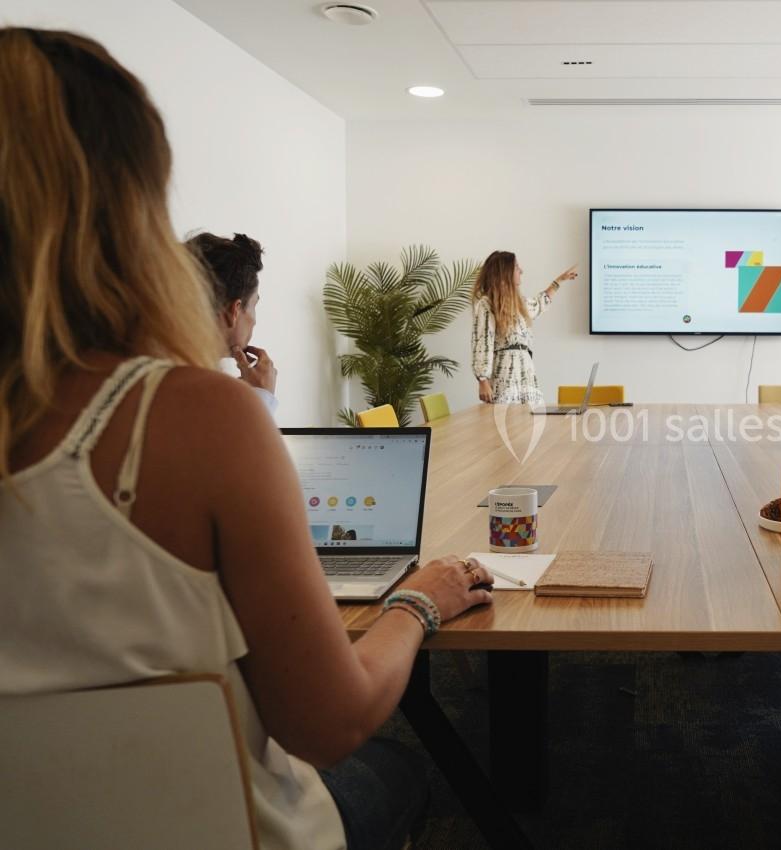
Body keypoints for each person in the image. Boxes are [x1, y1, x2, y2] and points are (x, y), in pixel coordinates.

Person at [0, 28, 495, 850]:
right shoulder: (192, 416)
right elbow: (328, 723)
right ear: (129, 207)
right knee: (398, 774)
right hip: (210, 827)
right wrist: (418, 600)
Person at [187, 231, 280, 415]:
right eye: (254, 305)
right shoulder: (198, 393)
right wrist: (261, 399)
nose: (254, 321)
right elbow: (250, 445)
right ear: (235, 310)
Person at [471, 250, 577, 405]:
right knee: (506, 423)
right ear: (505, 272)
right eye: (516, 267)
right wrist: (483, 380)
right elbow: (482, 342)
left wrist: (559, 281)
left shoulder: (518, 302)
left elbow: (538, 304)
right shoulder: (486, 304)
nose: (521, 271)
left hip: (526, 371)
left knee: (531, 422)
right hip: (505, 373)